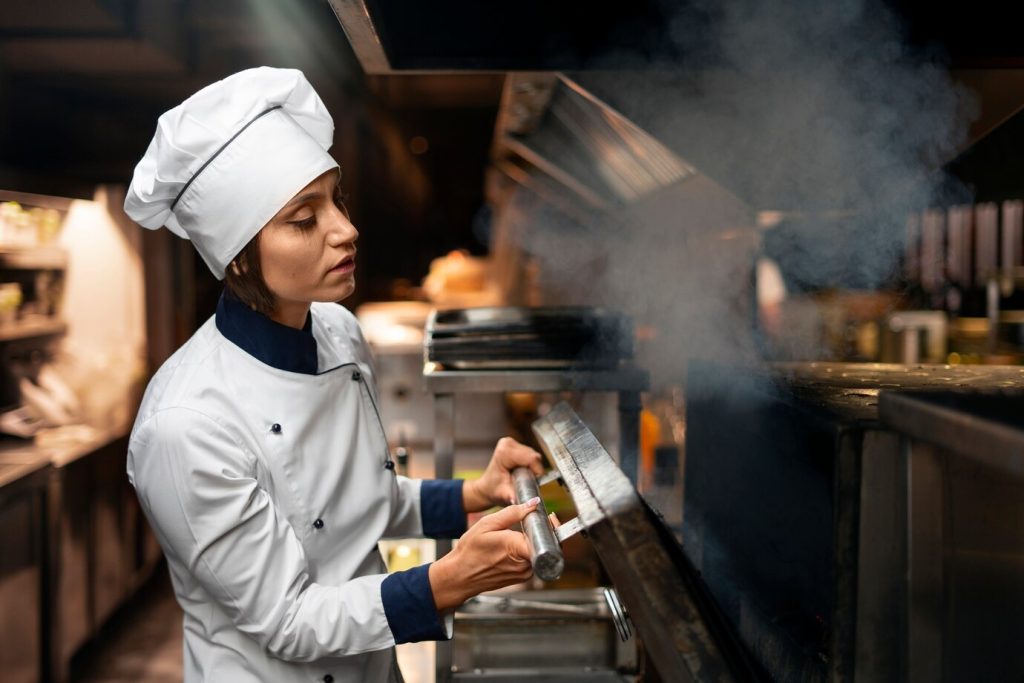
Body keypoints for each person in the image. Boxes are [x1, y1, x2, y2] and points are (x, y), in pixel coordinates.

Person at [123, 67, 546, 682]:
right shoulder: (185, 426)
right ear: (240, 255)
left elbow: (357, 505)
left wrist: (472, 496)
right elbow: (289, 619)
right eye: (303, 219)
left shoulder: (338, 332)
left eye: (336, 200)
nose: (345, 230)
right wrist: (445, 582)